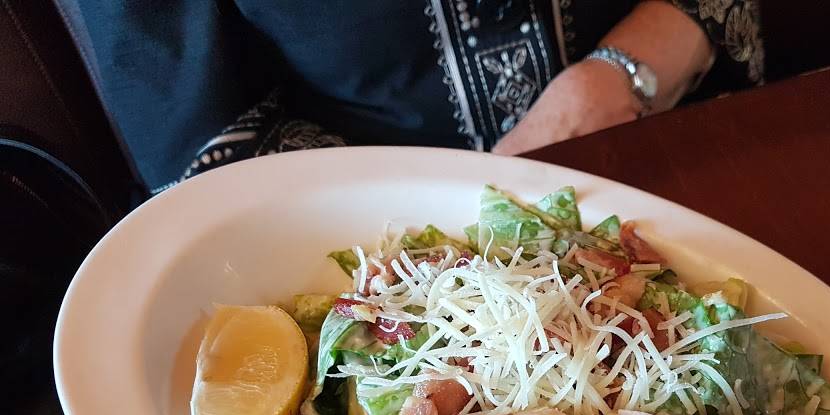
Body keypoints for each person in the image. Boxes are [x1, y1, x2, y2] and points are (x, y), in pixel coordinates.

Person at [57, 1, 764, 194]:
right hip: (383, 261)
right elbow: (195, 141)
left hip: (683, 145)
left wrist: (616, 75)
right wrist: (443, 214)